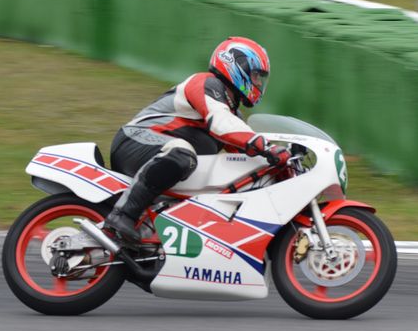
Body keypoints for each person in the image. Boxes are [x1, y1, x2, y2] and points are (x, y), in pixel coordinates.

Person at [103, 37, 291, 246]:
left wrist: (279, 161)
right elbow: (221, 124)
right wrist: (266, 146)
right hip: (134, 140)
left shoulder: (232, 112)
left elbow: (243, 150)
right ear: (236, 66)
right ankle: (123, 216)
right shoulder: (206, 84)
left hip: (155, 151)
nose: (257, 83)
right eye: (256, 75)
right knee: (182, 154)